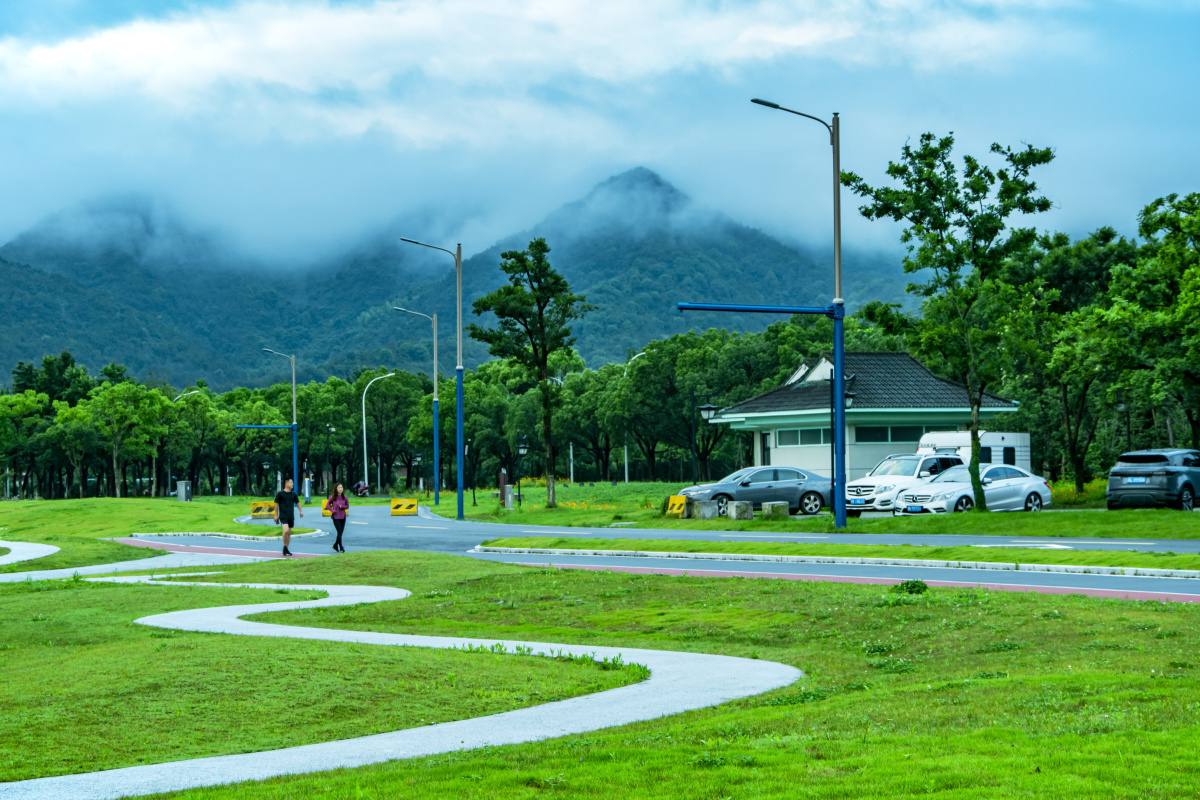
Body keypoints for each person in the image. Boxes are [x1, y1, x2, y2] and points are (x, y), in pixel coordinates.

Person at [273, 478, 304, 557]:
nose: (292, 484)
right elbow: (276, 504)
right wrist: (276, 515)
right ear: (287, 484)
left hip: (291, 516)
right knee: (286, 531)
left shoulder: (293, 494)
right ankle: (284, 546)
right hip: (283, 516)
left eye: (292, 482)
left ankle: (286, 548)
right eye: (291, 482)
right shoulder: (280, 494)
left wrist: (301, 511)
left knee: (289, 533)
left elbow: (298, 502)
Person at [327, 483, 349, 553]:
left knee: (340, 533)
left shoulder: (345, 497)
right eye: (339, 487)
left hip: (343, 517)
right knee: (339, 532)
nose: (341, 489)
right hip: (336, 517)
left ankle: (335, 545)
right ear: (336, 489)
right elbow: (327, 505)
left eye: (341, 487)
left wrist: (342, 506)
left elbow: (347, 506)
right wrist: (333, 510)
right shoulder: (332, 497)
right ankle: (341, 547)